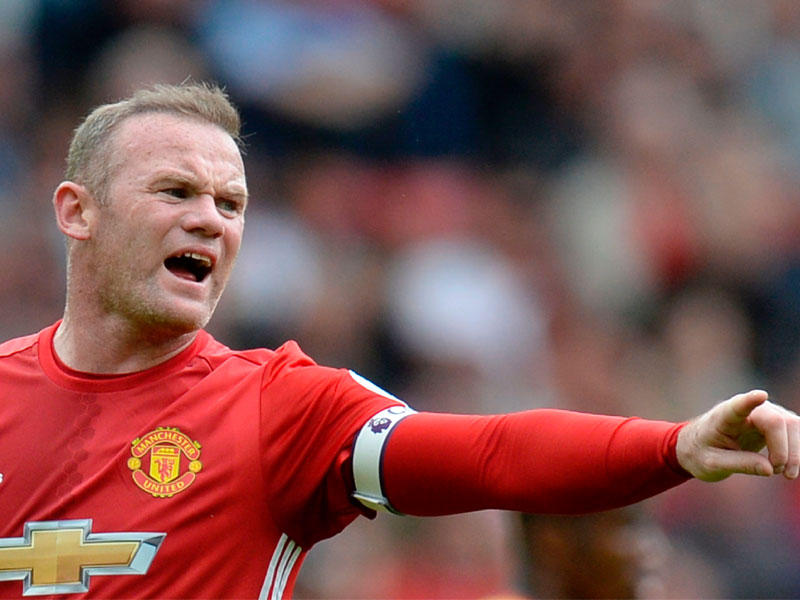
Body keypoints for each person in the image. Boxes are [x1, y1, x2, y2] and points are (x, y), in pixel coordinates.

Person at [0, 82, 797, 599]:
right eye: (175, 191)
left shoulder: (280, 408)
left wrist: (676, 445)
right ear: (77, 211)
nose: (210, 219)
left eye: (231, 204)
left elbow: (492, 453)